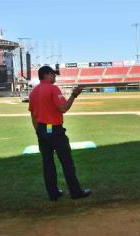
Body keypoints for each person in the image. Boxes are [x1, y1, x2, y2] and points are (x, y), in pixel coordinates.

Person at [29, 66, 91, 201]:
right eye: (53, 74)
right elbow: (63, 108)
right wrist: (74, 95)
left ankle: (53, 193)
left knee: (48, 163)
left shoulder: (33, 92)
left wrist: (38, 131)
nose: (55, 77)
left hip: (41, 129)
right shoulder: (53, 88)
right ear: (46, 74)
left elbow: (33, 115)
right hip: (55, 130)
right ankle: (76, 192)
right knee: (67, 162)